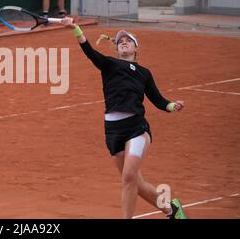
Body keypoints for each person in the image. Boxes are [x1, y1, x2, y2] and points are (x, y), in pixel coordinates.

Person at [63, 18, 187, 219]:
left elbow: (157, 99)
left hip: (136, 128)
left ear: (136, 48)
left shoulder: (144, 73)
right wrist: (76, 29)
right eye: (120, 41)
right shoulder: (109, 64)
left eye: (128, 40)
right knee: (135, 184)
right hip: (113, 132)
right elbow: (89, 52)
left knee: (128, 177)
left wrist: (173, 106)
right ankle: (171, 209)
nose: (123, 42)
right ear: (117, 49)